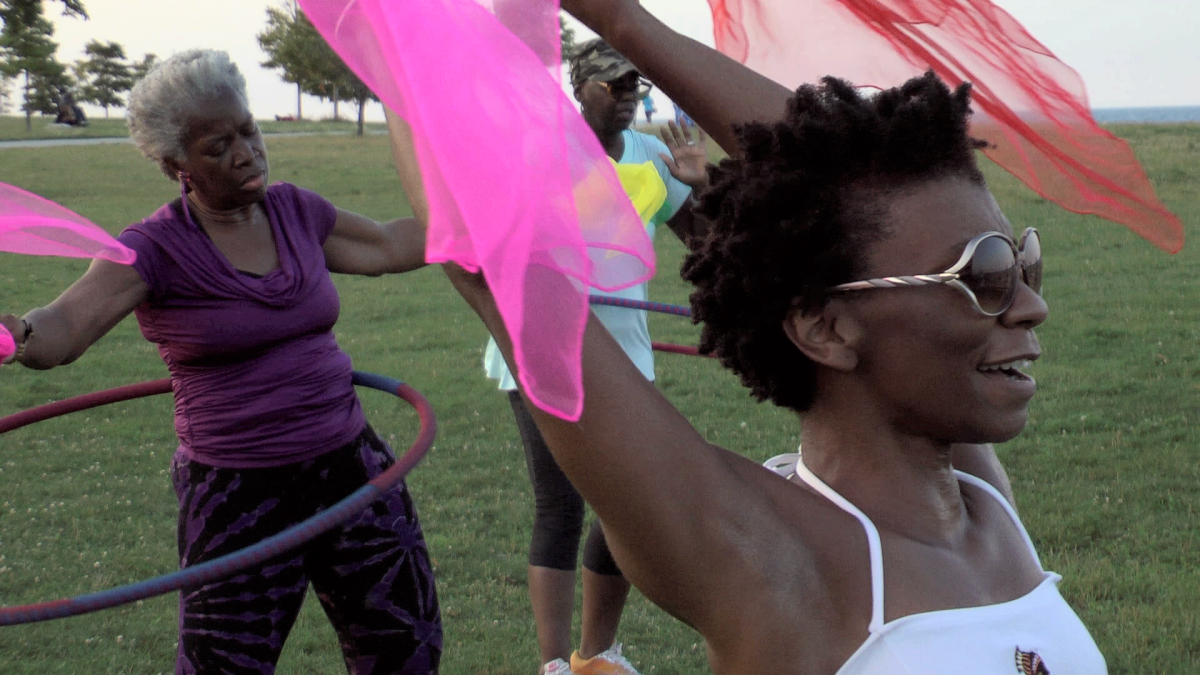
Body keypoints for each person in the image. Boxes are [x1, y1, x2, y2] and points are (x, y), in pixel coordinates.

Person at [388, 0, 1108, 672]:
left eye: (1024, 263)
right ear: (827, 328)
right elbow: (491, 256)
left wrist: (625, 20)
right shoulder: (763, 559)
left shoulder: (981, 504)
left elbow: (834, 169)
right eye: (983, 273)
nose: (1032, 306)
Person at [1, 50, 441, 674]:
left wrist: (490, 221)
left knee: (404, 651)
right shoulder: (154, 248)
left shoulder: (296, 211)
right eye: (218, 146)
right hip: (237, 491)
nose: (246, 153)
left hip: (352, 467)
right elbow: (67, 324)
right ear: (175, 164)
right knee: (225, 667)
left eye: (249, 131)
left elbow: (392, 245)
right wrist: (17, 334)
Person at [478, 38, 709, 675]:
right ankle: (555, 664)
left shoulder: (654, 156)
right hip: (543, 351)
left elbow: (709, 246)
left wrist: (703, 184)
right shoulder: (542, 154)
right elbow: (499, 242)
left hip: (626, 355)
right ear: (579, 89)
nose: (627, 96)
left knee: (627, 505)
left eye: (634, 85)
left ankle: (596, 652)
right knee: (560, 506)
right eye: (613, 85)